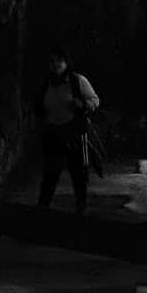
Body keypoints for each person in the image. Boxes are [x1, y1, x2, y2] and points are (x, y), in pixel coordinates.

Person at [34, 45, 100, 214]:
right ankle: (42, 207)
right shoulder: (45, 83)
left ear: (66, 63)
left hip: (73, 133)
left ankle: (81, 209)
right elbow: (39, 106)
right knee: (50, 173)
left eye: (59, 61)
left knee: (78, 174)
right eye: (52, 61)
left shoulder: (78, 81)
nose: (56, 64)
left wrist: (83, 104)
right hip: (53, 133)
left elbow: (95, 100)